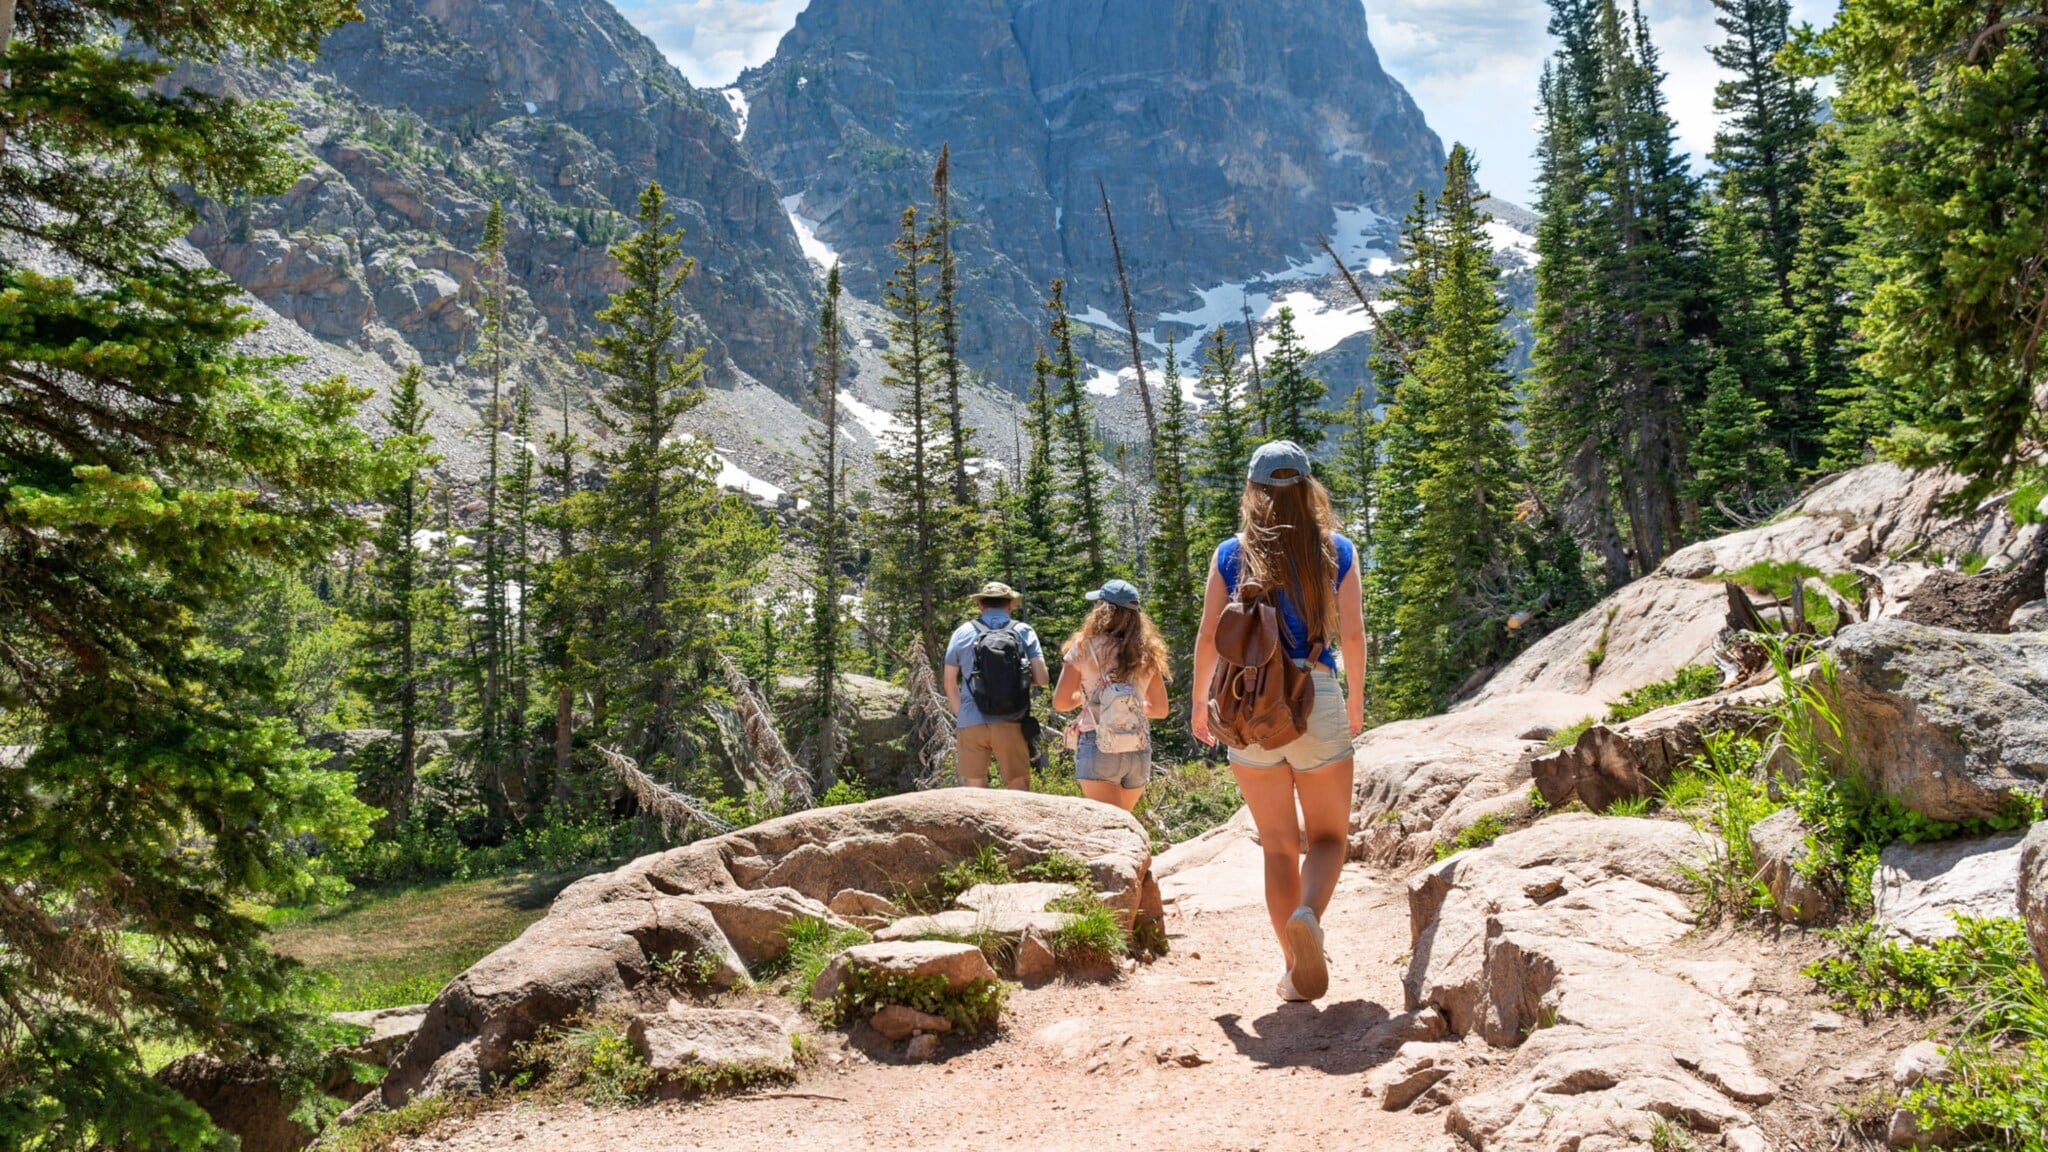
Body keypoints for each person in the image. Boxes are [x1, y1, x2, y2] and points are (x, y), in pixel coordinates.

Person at [1191, 441, 1366, 1003]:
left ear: (1254, 491)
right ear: (1309, 489)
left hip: (1249, 705)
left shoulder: (1230, 553)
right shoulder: (1335, 549)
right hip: (1314, 693)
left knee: (1276, 845)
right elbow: (1355, 637)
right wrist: (1356, 703)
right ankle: (1309, 916)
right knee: (1329, 837)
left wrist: (1201, 705)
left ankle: (1294, 970)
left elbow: (1207, 638)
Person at [1051, 580, 1171, 812]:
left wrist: (1091, 700)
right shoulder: (1147, 653)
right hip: (1137, 747)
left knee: (1110, 830)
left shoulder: (1084, 648)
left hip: (1098, 744)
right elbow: (1160, 710)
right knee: (1124, 821)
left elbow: (1061, 702)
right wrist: (1127, 706)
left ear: (1102, 611)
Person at [944, 581, 1050, 790]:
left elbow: (949, 683)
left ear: (980, 605)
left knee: (974, 789)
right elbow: (1043, 678)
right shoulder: (1023, 631)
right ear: (1010, 605)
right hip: (1011, 719)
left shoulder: (962, 632)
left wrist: (963, 716)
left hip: (971, 719)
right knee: (1018, 785)